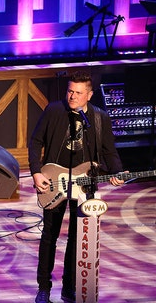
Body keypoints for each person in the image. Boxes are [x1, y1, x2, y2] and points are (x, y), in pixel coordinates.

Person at [29, 71, 125, 303]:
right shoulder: (54, 110)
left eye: (78, 93)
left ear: (89, 95)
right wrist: (36, 171)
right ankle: (44, 287)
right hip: (54, 181)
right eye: (70, 91)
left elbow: (109, 151)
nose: (72, 96)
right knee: (49, 235)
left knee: (77, 236)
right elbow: (35, 141)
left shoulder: (99, 117)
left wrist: (117, 171)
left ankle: (69, 287)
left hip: (85, 184)